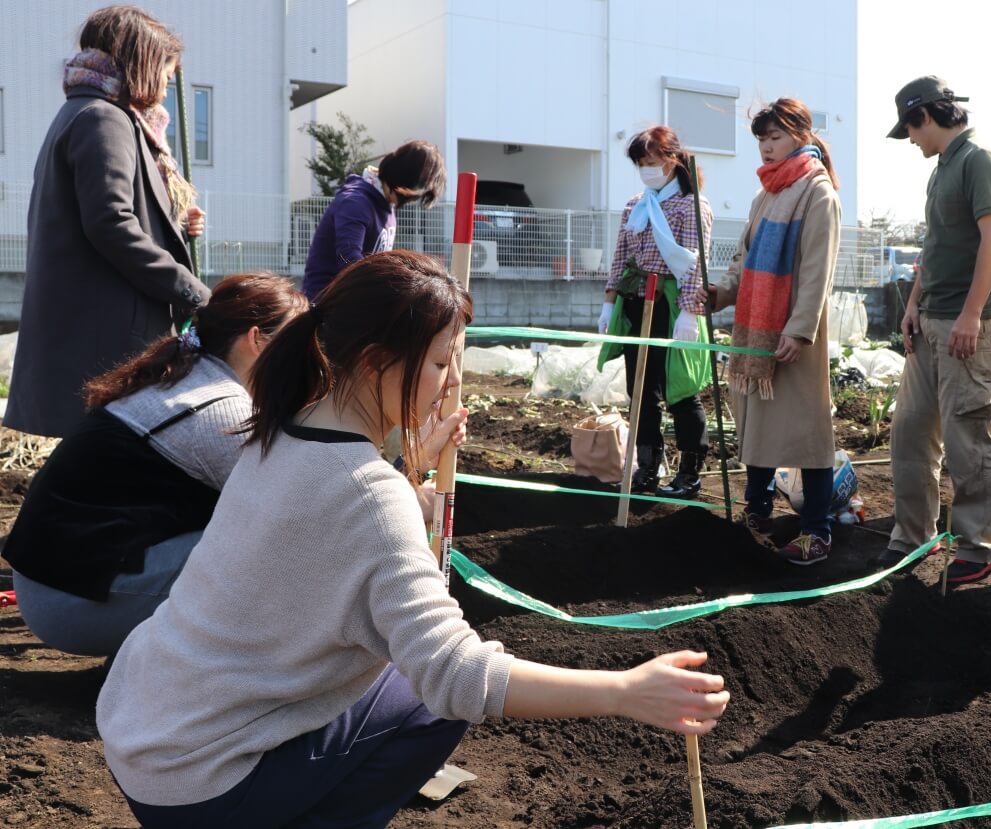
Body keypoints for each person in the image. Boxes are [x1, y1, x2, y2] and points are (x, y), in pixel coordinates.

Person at [96, 251, 728, 828]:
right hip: (199, 788)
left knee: (396, 680)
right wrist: (626, 691)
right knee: (431, 704)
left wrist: (408, 473)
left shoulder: (278, 429)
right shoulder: (368, 494)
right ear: (375, 362)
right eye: (439, 361)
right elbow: (458, 676)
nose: (452, 380)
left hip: (143, 725)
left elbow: (341, 532)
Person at [4, 274, 306, 655]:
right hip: (73, 605)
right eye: (298, 343)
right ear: (256, 340)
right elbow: (300, 512)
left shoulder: (185, 374)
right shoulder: (220, 408)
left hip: (57, 586)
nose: (308, 358)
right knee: (281, 553)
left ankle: (150, 656)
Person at [5, 5, 211, 439]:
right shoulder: (104, 118)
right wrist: (192, 291)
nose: (168, 83)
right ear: (141, 61)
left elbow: (113, 211)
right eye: (166, 72)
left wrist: (173, 221)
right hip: (107, 337)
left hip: (91, 329)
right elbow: (110, 223)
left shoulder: (88, 113)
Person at [875, 75, 991, 581]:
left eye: (910, 130)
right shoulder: (942, 168)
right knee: (911, 429)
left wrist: (973, 314)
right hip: (933, 317)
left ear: (926, 118)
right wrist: (913, 304)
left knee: (967, 433)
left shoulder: (979, 159)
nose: (911, 140)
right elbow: (936, 248)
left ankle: (980, 545)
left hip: (971, 320)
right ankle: (914, 534)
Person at [712, 98, 841, 565]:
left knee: (808, 430)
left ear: (801, 136)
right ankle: (759, 509)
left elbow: (816, 270)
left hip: (793, 335)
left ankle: (817, 530)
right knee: (758, 420)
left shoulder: (817, 192)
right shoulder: (765, 194)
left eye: (776, 137)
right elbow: (742, 260)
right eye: (763, 139)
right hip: (757, 331)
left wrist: (800, 328)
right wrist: (721, 293)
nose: (767, 147)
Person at [597, 126, 714, 498]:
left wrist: (690, 313)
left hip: (672, 303)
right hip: (636, 300)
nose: (647, 169)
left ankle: (690, 473)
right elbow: (620, 256)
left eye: (652, 162)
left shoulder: (691, 205)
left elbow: (697, 264)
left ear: (673, 159)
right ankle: (647, 467)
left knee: (680, 389)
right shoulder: (637, 205)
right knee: (641, 389)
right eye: (641, 164)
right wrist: (609, 301)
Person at [300, 140, 447, 302]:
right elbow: (349, 261)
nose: (409, 202)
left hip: (356, 300)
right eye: (413, 197)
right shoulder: (355, 203)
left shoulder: (386, 202)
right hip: (326, 303)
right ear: (402, 187)